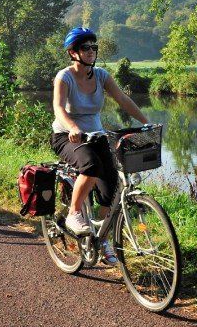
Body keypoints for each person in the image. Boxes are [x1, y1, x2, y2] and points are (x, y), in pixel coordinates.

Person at [51, 26, 148, 265]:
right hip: (67, 136)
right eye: (86, 47)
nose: (92, 51)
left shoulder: (102, 75)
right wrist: (73, 127)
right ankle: (74, 213)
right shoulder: (64, 77)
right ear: (73, 52)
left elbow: (123, 99)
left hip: (97, 135)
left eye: (94, 47)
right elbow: (59, 108)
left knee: (111, 184)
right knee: (91, 166)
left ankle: (101, 237)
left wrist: (146, 122)